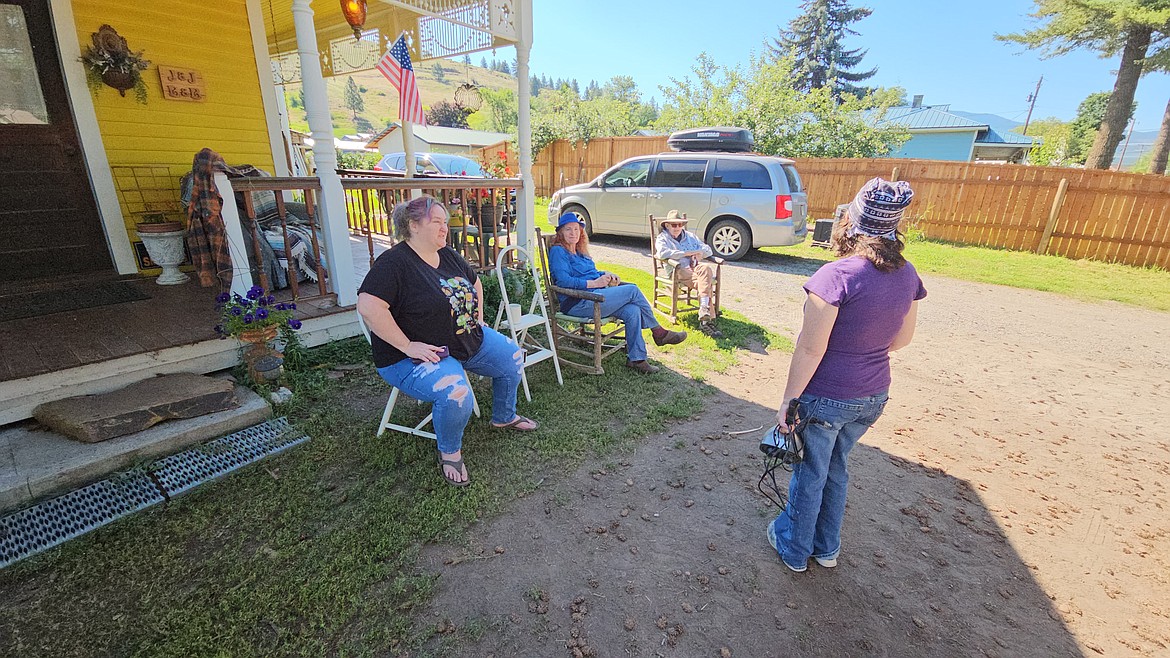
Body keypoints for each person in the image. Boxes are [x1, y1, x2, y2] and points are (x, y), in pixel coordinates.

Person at [766, 177, 926, 573]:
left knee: (811, 473)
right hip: (873, 395)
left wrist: (789, 400)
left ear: (852, 221)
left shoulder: (837, 276)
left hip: (826, 398)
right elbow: (902, 340)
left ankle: (794, 549)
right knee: (836, 468)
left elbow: (810, 348)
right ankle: (826, 548)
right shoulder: (908, 275)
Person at [356, 195, 537, 488]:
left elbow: (474, 283)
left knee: (513, 357)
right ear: (413, 226)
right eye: (437, 222)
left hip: (465, 339)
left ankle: (504, 416)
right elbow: (369, 307)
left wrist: (476, 317)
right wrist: (407, 345)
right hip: (414, 356)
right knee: (456, 394)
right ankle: (450, 451)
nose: (445, 228)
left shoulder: (448, 254)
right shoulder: (394, 263)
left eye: (445, 221)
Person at [548, 212, 687, 374]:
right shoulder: (559, 252)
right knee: (633, 290)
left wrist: (605, 274)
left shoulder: (579, 253)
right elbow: (563, 281)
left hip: (595, 297)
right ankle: (659, 332)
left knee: (632, 310)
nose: (573, 233)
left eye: (576, 229)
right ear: (560, 233)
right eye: (568, 230)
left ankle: (637, 359)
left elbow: (590, 272)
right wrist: (594, 283)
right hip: (578, 303)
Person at [654, 209, 722, 337]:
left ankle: (703, 310)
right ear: (667, 225)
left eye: (680, 224)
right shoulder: (662, 238)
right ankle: (707, 320)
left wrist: (699, 252)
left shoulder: (690, 236)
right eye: (674, 225)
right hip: (677, 270)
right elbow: (662, 253)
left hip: (695, 269)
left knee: (705, 268)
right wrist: (687, 253)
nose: (678, 227)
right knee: (705, 282)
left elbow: (708, 250)